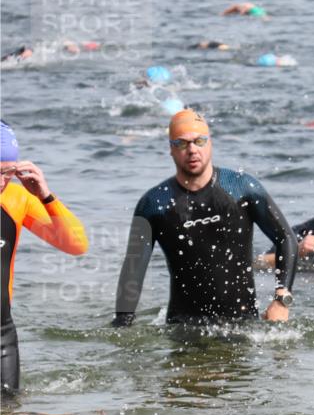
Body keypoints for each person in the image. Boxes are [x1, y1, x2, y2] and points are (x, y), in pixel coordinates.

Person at [113, 109, 297, 326]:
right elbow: (133, 268)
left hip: (243, 326)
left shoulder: (242, 188)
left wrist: (281, 300)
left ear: (210, 144)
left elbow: (286, 238)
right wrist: (122, 324)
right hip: (183, 328)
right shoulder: (154, 205)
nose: (192, 150)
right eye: (182, 143)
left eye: (199, 141)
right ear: (171, 149)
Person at [1, 120, 88, 395]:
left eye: (8, 173)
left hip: (1, 337)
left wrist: (45, 196)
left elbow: (76, 244)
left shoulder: (16, 200)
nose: (3, 182)